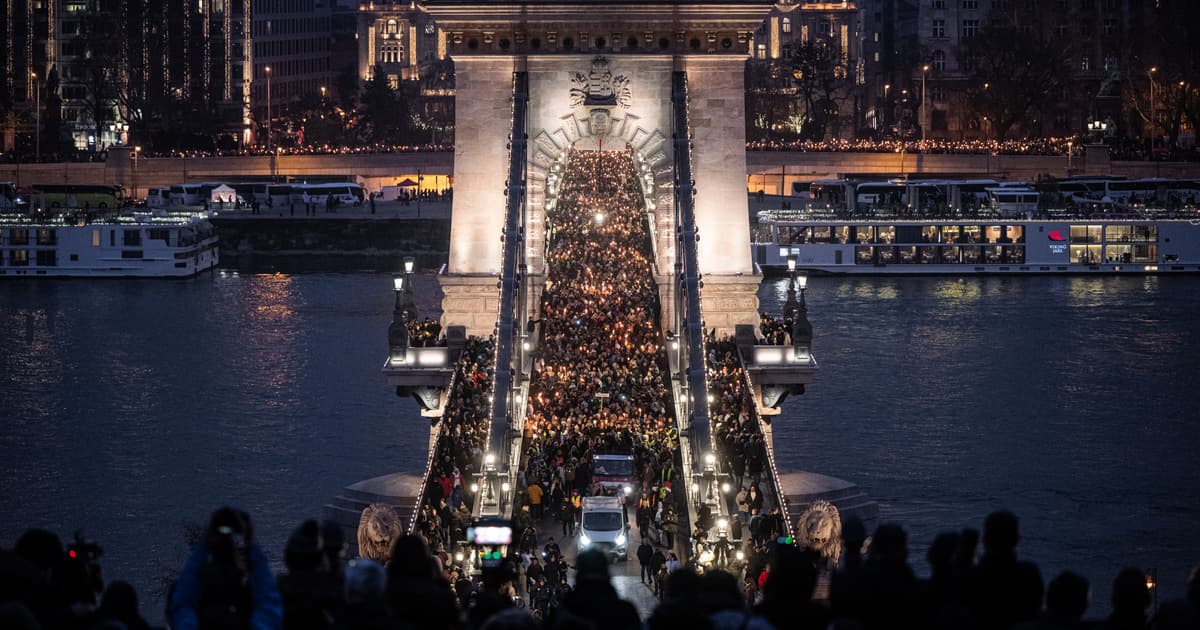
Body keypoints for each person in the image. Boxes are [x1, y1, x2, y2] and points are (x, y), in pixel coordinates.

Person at [168, 507, 283, 630]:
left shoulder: (189, 625)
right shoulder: (258, 626)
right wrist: (251, 540)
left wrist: (204, 545)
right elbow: (269, 606)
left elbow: (182, 604)